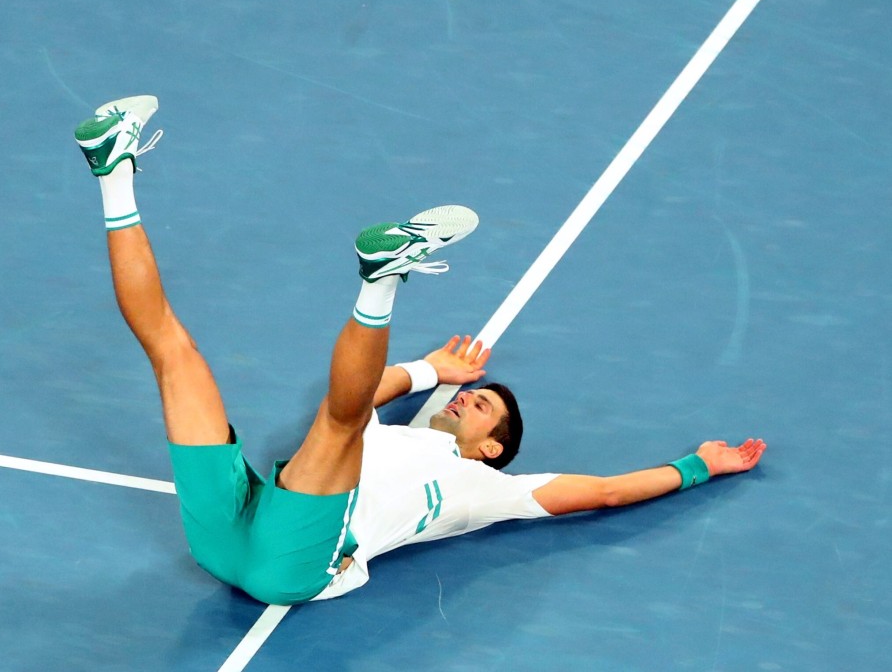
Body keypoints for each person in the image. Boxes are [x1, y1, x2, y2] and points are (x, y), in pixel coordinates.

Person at [74, 96, 767, 605]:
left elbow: (607, 491)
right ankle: (114, 169)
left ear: (491, 448)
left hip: (293, 562)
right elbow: (365, 395)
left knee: (337, 421)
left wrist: (697, 467)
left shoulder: (496, 490)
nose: (468, 399)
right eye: (472, 394)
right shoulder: (391, 433)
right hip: (236, 525)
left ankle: (382, 280)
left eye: (483, 407)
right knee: (172, 350)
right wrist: (430, 369)